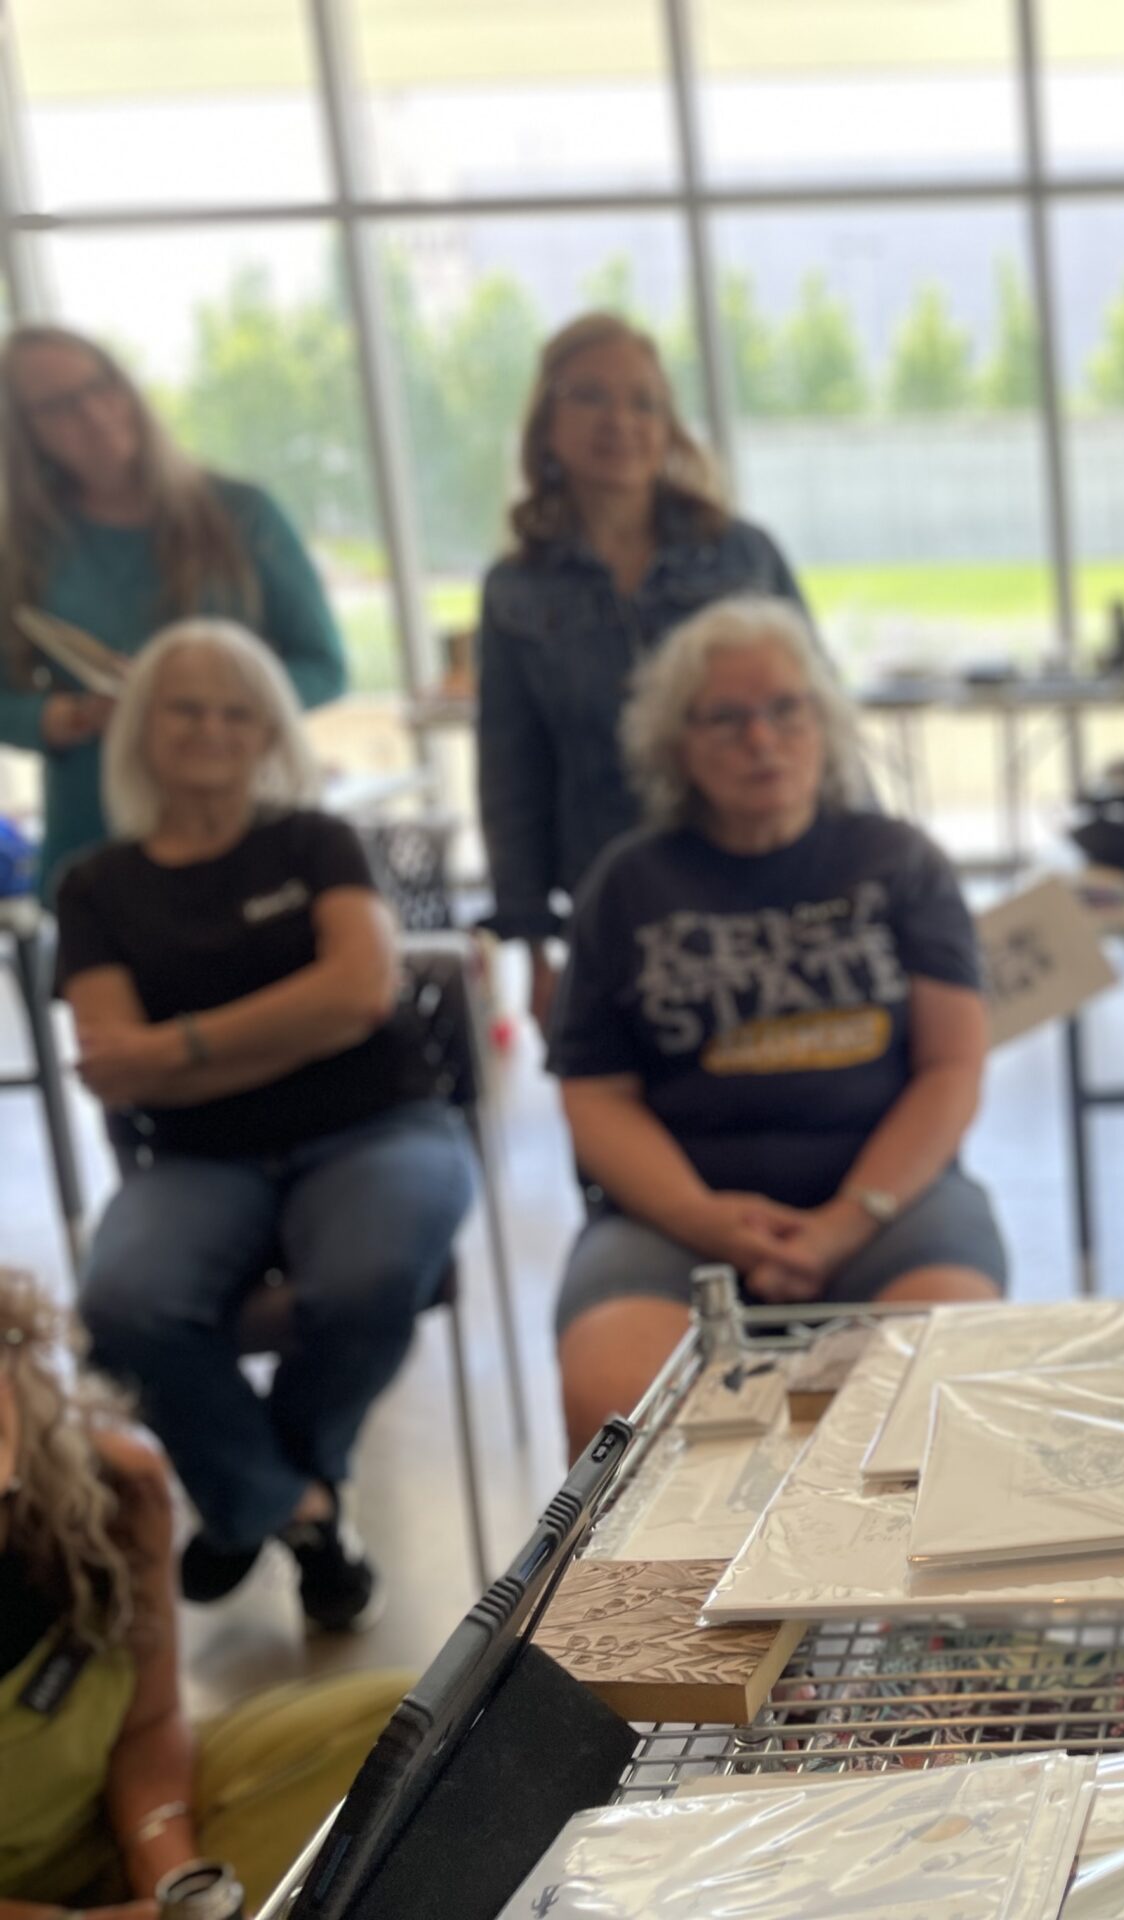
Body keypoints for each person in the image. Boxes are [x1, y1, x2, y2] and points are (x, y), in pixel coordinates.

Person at [55, 622, 476, 1634]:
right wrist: (299, 1018)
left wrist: (180, 1045)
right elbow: (115, 1063)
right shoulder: (95, 885)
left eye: (236, 711)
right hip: (196, 1155)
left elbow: (364, 991)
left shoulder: (316, 840)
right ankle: (300, 1509)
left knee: (369, 1277)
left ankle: (258, 1499)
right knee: (122, 1305)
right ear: (142, 730)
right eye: (185, 708)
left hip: (380, 1125)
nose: (210, 729)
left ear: (269, 731)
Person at [549, 595, 1001, 1447]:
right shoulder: (628, 884)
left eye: (785, 709)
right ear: (676, 746)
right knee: (615, 1406)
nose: (762, 740)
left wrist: (845, 1221)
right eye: (726, 719)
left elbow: (954, 1066)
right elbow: (595, 1095)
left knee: (931, 1392)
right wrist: (702, 1219)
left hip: (889, 1200)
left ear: (823, 718)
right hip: (670, 1216)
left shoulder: (899, 862)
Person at [0, 1268, 411, 1916]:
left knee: (412, 1742)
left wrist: (176, 1884)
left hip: (108, 1828)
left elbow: (149, 1725)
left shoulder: (117, 1487)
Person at [478, 313, 807, 1028]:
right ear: (547, 425)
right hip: (611, 907)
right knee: (627, 1114)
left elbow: (816, 720)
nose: (619, 421)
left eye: (643, 402)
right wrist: (534, 950)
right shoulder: (515, 588)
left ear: (669, 427)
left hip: (763, 891)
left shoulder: (743, 555)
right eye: (590, 396)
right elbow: (512, 778)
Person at [0, 324, 347, 898]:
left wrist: (225, 711)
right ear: (24, 430)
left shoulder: (241, 514)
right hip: (98, 825)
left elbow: (324, 666)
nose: (92, 415)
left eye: (100, 387)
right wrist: (64, 718)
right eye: (59, 407)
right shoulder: (23, 551)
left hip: (245, 821)